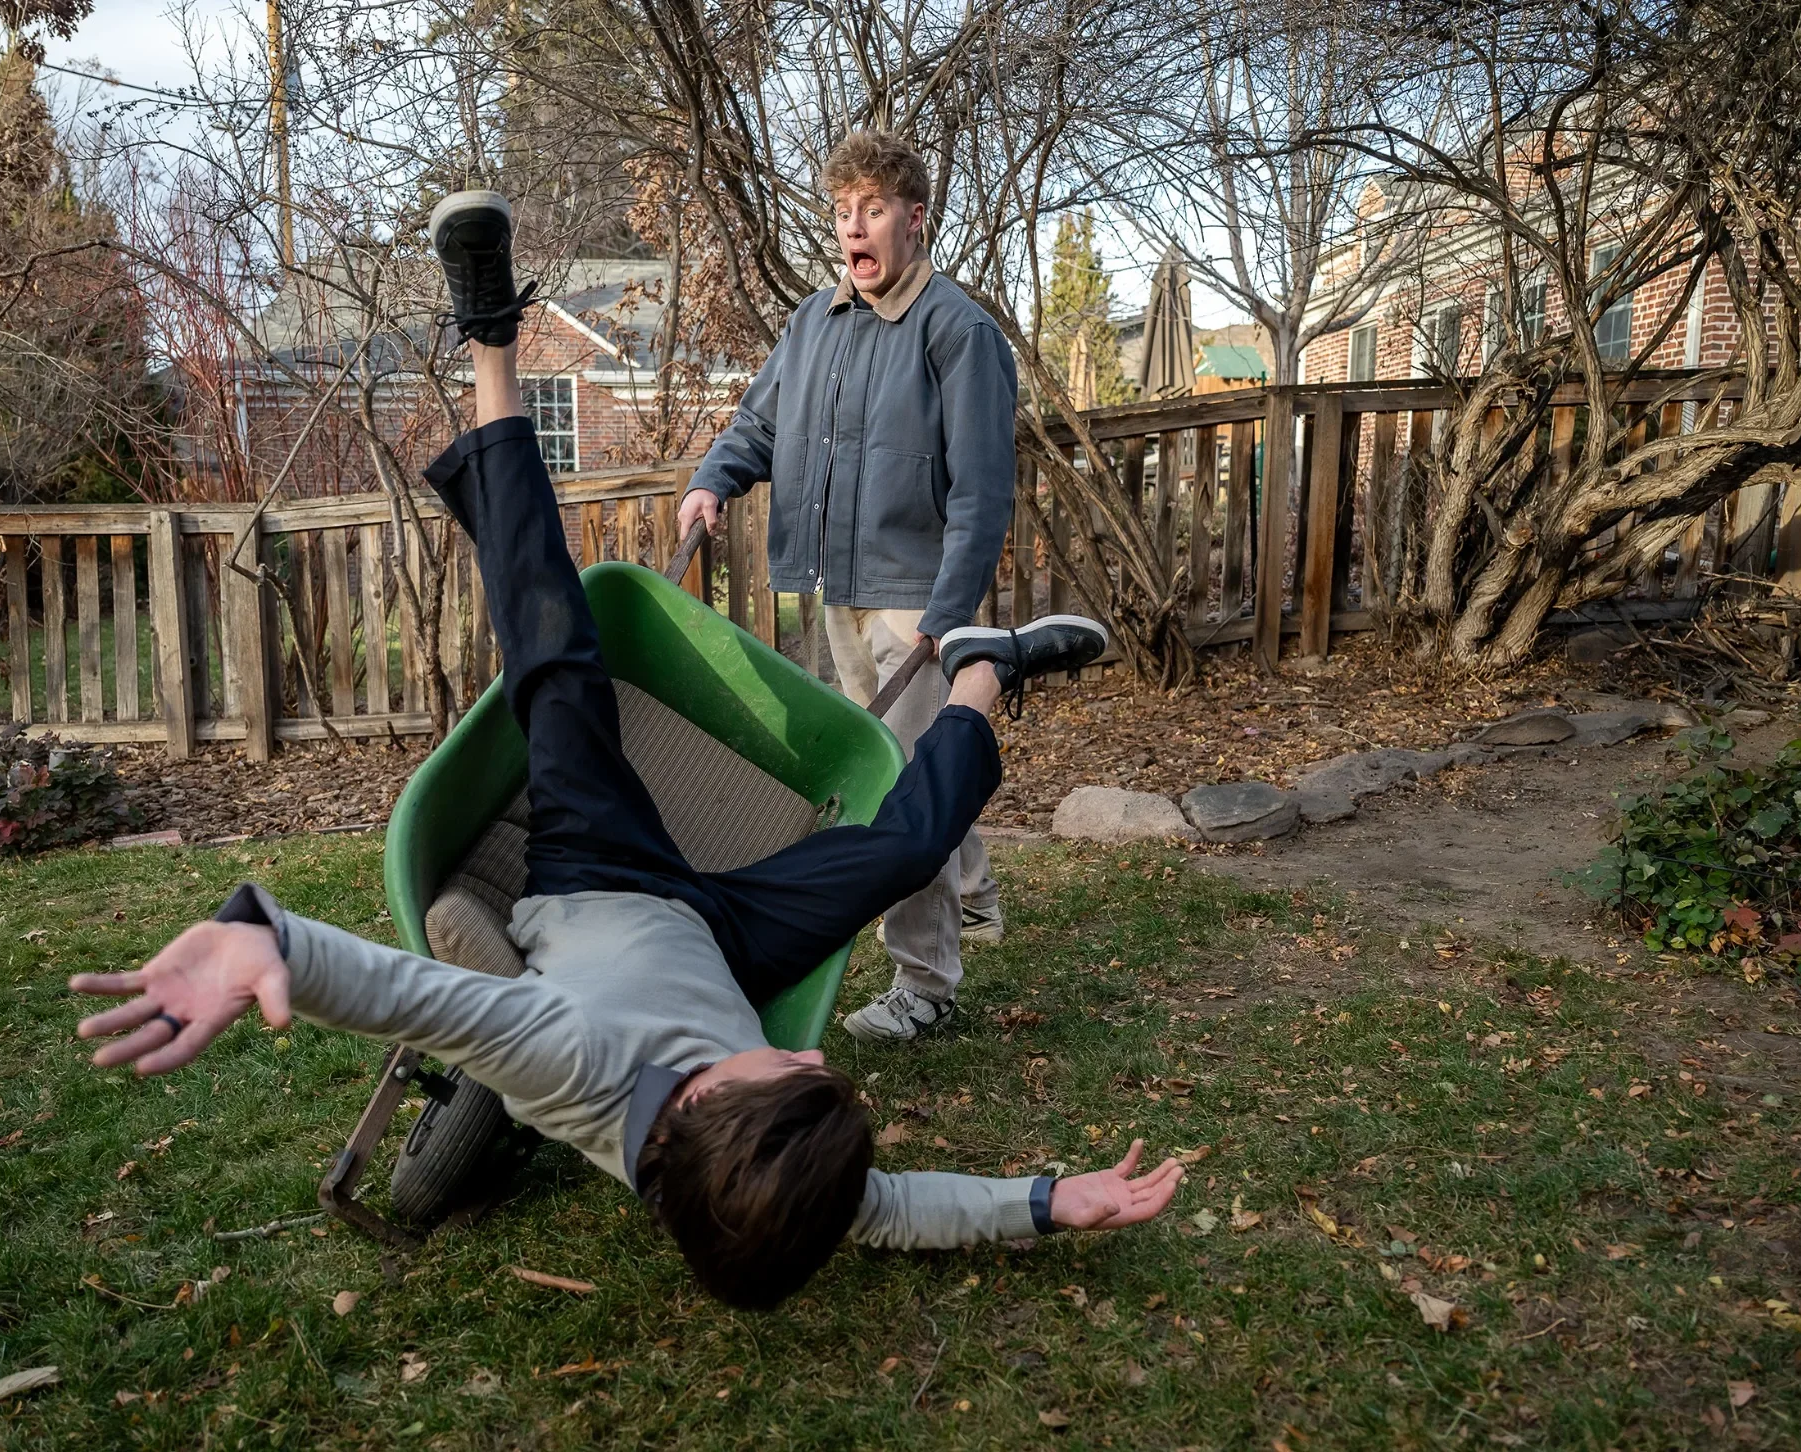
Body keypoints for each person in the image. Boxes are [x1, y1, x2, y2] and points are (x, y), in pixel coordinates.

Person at [69, 191, 1182, 1313]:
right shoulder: (756, 1168)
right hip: (726, 940)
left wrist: (263, 943)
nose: (811, 1058)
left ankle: (492, 339)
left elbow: (419, 1001)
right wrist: (1045, 1202)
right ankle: (986, 671)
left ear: (698, 1107)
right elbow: (887, 1210)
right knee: (904, 846)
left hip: (596, 876)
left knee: (553, 657)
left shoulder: (570, 1065)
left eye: (795, 1077)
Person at [677, 130, 1024, 1044]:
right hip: (840, 590)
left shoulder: (958, 331)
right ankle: (975, 895)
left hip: (917, 595)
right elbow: (759, 423)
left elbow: (985, 492)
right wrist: (714, 479)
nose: (854, 228)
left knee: (902, 788)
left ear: (914, 219)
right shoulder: (812, 324)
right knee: (897, 769)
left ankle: (926, 987)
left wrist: (946, 620)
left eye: (872, 209)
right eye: (841, 212)